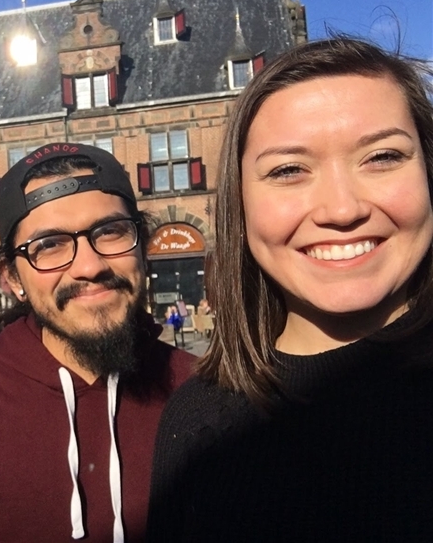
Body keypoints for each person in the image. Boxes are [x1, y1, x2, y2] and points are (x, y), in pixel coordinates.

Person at [147, 36, 433, 542]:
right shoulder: (197, 424)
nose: (341, 209)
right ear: (239, 204)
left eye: (383, 156)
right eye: (287, 170)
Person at [0, 143, 196, 542]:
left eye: (111, 231)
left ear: (141, 245)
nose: (89, 266)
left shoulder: (205, 389)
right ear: (12, 277)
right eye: (49, 245)